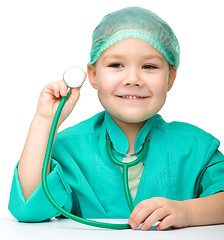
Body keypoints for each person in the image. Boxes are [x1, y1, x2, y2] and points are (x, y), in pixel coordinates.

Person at [8, 6, 224, 231]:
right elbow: (27, 210)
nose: (132, 79)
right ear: (93, 75)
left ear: (170, 77)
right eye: (116, 65)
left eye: (149, 66)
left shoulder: (197, 146)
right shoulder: (67, 147)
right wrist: (44, 122)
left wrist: (188, 212)